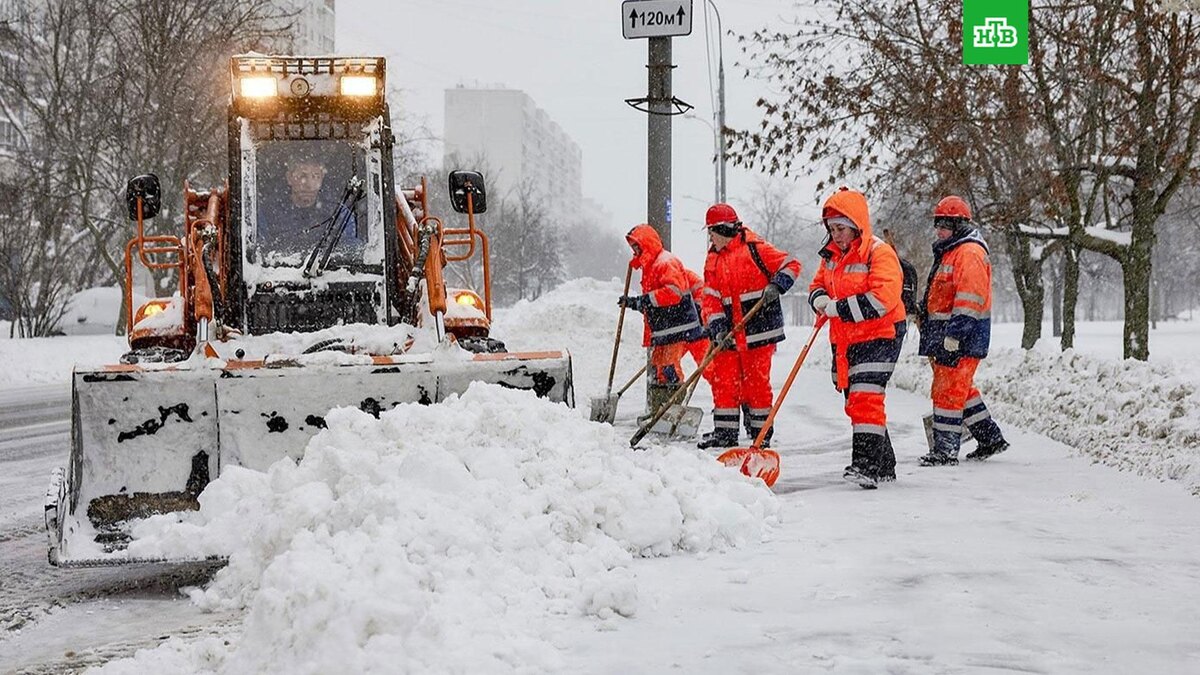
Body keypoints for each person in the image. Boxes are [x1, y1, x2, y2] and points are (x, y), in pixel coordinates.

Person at [808, 186, 906, 489]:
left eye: (841, 228)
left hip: (881, 333)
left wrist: (839, 308)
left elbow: (883, 298)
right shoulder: (831, 258)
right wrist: (819, 300)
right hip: (847, 339)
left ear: (855, 225)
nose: (836, 235)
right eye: (832, 229)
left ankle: (867, 466)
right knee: (855, 400)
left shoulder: (878, 252)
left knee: (865, 396)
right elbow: (816, 286)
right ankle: (884, 463)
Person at [696, 203, 801, 450]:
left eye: (711, 232)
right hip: (729, 334)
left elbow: (791, 264)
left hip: (759, 330)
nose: (710, 237)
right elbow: (710, 297)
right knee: (725, 381)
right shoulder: (713, 258)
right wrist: (717, 326)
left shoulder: (755, 248)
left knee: (756, 384)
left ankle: (760, 433)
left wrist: (777, 285)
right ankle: (725, 433)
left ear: (721, 229)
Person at [916, 196, 1009, 465]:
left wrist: (955, 336)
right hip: (948, 336)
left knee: (947, 391)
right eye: (937, 223)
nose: (939, 230)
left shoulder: (968, 253)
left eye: (945, 224)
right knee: (962, 389)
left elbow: (970, 299)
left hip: (960, 338)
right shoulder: (953, 251)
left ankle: (944, 451)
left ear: (960, 225)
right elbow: (943, 296)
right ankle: (990, 438)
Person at [618, 225, 705, 413]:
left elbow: (672, 294)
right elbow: (656, 304)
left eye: (636, 246)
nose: (634, 251)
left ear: (646, 243)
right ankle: (665, 411)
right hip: (667, 329)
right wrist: (637, 304)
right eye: (633, 247)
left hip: (679, 327)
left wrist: (642, 301)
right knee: (662, 369)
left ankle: (673, 410)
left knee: (675, 369)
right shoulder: (650, 268)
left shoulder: (665, 263)